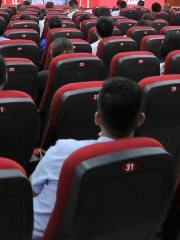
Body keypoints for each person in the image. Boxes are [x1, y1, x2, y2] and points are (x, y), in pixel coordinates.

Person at [31, 77, 146, 239]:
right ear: (140, 119)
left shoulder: (64, 151)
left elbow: (31, 190)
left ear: (97, 118)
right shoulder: (149, 162)